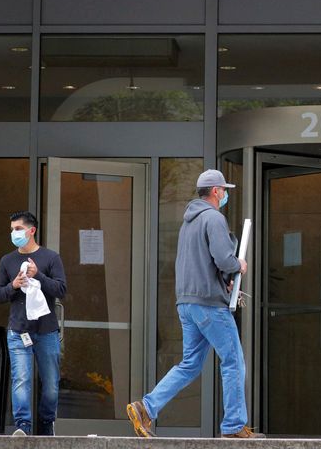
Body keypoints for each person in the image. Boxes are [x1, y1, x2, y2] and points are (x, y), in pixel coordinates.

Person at [126, 169, 263, 439]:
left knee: (189, 364)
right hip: (209, 305)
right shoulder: (214, 218)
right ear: (215, 191)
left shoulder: (188, 222)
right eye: (223, 190)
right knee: (234, 362)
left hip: (187, 303)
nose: (224, 194)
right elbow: (224, 260)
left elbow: (201, 264)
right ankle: (235, 426)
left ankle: (146, 408)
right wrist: (239, 265)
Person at [0, 211, 67, 436]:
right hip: (18, 331)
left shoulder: (51, 258)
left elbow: (61, 290)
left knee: (51, 385)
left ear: (31, 230)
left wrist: (39, 277)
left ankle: (46, 427)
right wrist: (14, 285)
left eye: (18, 229)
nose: (14, 233)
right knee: (21, 380)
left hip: (47, 332)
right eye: (12, 229)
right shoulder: (7, 260)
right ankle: (22, 427)